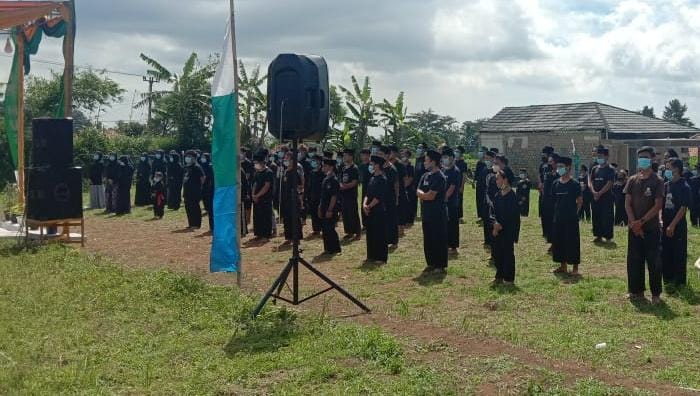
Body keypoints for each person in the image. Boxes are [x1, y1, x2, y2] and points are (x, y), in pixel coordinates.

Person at [624, 146, 664, 304]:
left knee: (654, 262)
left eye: (645, 157)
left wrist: (641, 222)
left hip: (651, 229)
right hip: (634, 229)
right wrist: (634, 223)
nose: (642, 160)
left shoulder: (657, 181)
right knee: (634, 260)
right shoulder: (632, 180)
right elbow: (627, 203)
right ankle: (636, 291)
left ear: (652, 159)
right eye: (640, 157)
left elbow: (658, 205)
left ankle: (655, 294)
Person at [417, 149, 448, 273]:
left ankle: (440, 265)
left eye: (426, 160)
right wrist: (424, 195)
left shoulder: (439, 177)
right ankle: (431, 262)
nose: (424, 162)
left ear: (433, 162)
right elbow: (418, 191)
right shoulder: (425, 175)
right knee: (428, 238)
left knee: (438, 238)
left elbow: (431, 196)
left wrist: (423, 196)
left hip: (437, 213)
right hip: (426, 213)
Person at [662, 158, 690, 288]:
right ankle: (667, 277)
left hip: (677, 226)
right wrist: (661, 221)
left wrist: (672, 225)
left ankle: (679, 281)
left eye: (668, 168)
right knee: (666, 251)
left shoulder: (684, 186)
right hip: (665, 223)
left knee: (678, 252)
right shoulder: (666, 185)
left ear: (677, 169)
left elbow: (683, 208)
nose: (666, 171)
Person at [551, 157, 582, 275]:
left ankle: (575, 268)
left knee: (572, 241)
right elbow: (554, 200)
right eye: (558, 166)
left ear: (568, 167)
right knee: (559, 241)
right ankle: (562, 265)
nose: (559, 169)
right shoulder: (556, 183)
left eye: (561, 166)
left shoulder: (574, 184)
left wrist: (575, 213)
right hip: (558, 217)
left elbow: (579, 201)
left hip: (571, 218)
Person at [489, 167, 521, 285]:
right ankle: (499, 275)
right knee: (497, 253)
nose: (496, 181)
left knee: (507, 254)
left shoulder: (512, 197)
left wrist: (500, 227)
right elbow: (491, 212)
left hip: (507, 231)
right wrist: (494, 224)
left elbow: (512, 217)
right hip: (496, 229)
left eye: (498, 179)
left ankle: (508, 278)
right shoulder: (498, 195)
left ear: (505, 180)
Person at [363, 155, 388, 263]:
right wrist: (364, 205)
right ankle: (371, 255)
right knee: (371, 233)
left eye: (372, 164)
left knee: (379, 234)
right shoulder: (372, 177)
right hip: (369, 210)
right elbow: (367, 194)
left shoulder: (382, 179)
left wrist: (369, 206)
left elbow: (378, 197)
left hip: (378, 209)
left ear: (377, 165)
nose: (371, 165)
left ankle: (380, 257)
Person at [589, 147, 615, 243]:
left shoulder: (610, 169)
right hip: (595, 197)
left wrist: (600, 193)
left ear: (607, 156)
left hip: (606, 197)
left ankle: (608, 236)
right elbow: (590, 181)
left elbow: (610, 183)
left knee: (607, 217)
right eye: (598, 156)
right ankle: (598, 235)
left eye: (601, 156)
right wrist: (593, 192)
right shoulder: (594, 169)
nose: (599, 158)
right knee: (596, 216)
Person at [280, 151, 304, 244]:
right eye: (285, 158)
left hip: (293, 198)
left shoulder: (295, 172)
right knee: (287, 218)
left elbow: (300, 186)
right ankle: (288, 236)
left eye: (288, 158)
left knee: (295, 218)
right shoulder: (286, 171)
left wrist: (300, 197)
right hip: (286, 198)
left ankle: (296, 238)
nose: (286, 160)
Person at [319, 158, 342, 254]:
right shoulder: (326, 179)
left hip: (330, 208)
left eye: (325, 166)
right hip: (324, 206)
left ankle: (335, 248)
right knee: (325, 228)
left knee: (330, 228)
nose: (323, 168)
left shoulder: (334, 180)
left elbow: (334, 196)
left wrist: (330, 210)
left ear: (331, 167)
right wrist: (320, 207)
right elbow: (323, 195)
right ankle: (327, 248)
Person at [442, 147, 461, 253]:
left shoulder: (455, 171)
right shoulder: (444, 170)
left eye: (447, 157)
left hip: (452, 202)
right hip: (444, 202)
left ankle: (453, 246)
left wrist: (443, 199)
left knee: (453, 224)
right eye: (443, 157)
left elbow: (452, 188)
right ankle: (447, 243)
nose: (445, 159)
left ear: (452, 158)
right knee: (446, 224)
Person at [340, 148, 362, 240]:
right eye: (343, 155)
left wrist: (344, 187)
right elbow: (341, 180)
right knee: (345, 213)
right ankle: (349, 231)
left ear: (351, 156)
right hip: (344, 194)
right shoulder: (344, 168)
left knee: (353, 213)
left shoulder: (354, 168)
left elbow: (354, 182)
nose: (344, 157)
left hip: (351, 194)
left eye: (346, 155)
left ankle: (357, 232)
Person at [381, 146, 400, 248]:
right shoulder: (379, 167)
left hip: (390, 197)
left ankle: (394, 241)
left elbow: (396, 184)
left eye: (381, 154)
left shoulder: (392, 168)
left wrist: (396, 197)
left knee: (392, 219)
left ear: (387, 155)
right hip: (381, 197)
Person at [251, 153, 273, 239]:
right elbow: (255, 184)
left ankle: (266, 234)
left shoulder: (268, 172)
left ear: (262, 163)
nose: (255, 165)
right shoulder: (257, 172)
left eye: (257, 163)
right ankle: (259, 233)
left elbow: (266, 186)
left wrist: (258, 195)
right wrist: (253, 195)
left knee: (265, 216)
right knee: (257, 216)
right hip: (257, 198)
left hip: (265, 198)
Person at [183, 150, 204, 230]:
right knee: (188, 207)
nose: (187, 158)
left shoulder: (197, 167)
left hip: (194, 191)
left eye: (189, 156)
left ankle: (196, 224)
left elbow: (202, 178)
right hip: (187, 190)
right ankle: (191, 223)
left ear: (194, 158)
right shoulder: (186, 167)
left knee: (195, 207)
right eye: (187, 156)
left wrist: (198, 186)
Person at [541, 153, 559, 251]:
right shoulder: (548, 172)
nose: (549, 163)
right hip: (546, 201)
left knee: (554, 223)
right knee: (547, 221)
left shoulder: (560, 174)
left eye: (551, 161)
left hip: (555, 202)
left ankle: (556, 243)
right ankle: (551, 240)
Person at [478, 150, 495, 248]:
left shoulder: (496, 170)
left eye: (489, 159)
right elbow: (481, 185)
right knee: (485, 219)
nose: (487, 160)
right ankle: (487, 240)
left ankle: (493, 238)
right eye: (486, 159)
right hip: (485, 198)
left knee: (492, 219)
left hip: (494, 199)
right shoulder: (484, 170)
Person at [200, 153, 215, 232]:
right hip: (207, 190)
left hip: (213, 190)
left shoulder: (211, 167)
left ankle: (214, 227)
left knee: (213, 209)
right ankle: (212, 227)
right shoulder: (206, 166)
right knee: (210, 209)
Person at [401, 149, 416, 226]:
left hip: (409, 189)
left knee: (410, 205)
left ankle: (410, 221)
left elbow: (410, 179)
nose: (403, 156)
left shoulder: (411, 167)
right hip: (402, 188)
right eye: (402, 155)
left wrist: (403, 186)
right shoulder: (401, 166)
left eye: (404, 155)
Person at [454, 146, 468, 223]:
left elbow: (464, 175)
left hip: (459, 184)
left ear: (461, 154)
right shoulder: (453, 162)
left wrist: (462, 186)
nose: (456, 153)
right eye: (455, 151)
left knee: (459, 200)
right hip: (453, 184)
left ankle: (459, 217)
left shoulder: (463, 163)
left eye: (458, 152)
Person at [358, 148, 372, 230]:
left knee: (371, 205)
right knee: (363, 204)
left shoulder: (372, 165)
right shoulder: (361, 166)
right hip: (364, 188)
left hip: (372, 187)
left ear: (369, 155)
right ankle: (365, 224)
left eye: (366, 155)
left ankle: (370, 223)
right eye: (363, 155)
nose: (364, 157)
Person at [474, 147, 488, 223]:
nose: (480, 153)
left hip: (485, 184)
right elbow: (476, 173)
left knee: (484, 200)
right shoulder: (479, 163)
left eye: (482, 151)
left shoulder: (487, 163)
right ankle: (481, 216)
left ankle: (485, 215)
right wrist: (474, 181)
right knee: (479, 199)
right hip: (479, 184)